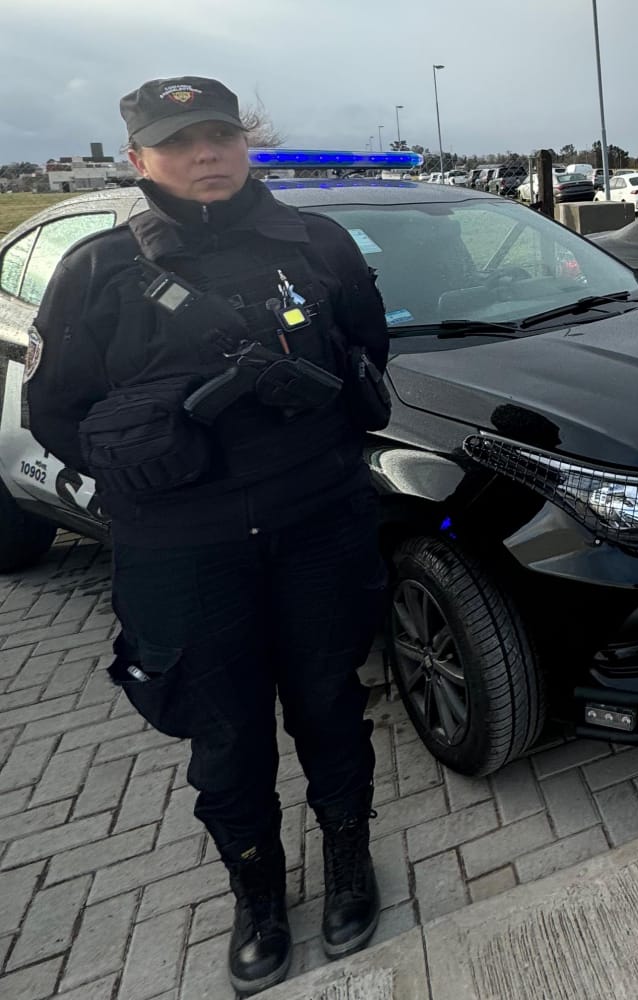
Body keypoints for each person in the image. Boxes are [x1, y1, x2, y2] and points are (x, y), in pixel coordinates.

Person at [27, 77, 392, 995]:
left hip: (318, 524)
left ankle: (349, 863)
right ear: (138, 158)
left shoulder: (319, 244)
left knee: (330, 704)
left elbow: (368, 353)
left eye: (220, 133)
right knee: (225, 735)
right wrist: (163, 455)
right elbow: (55, 412)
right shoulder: (98, 270)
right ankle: (258, 895)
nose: (206, 153)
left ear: (246, 140)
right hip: (184, 546)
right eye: (180, 139)